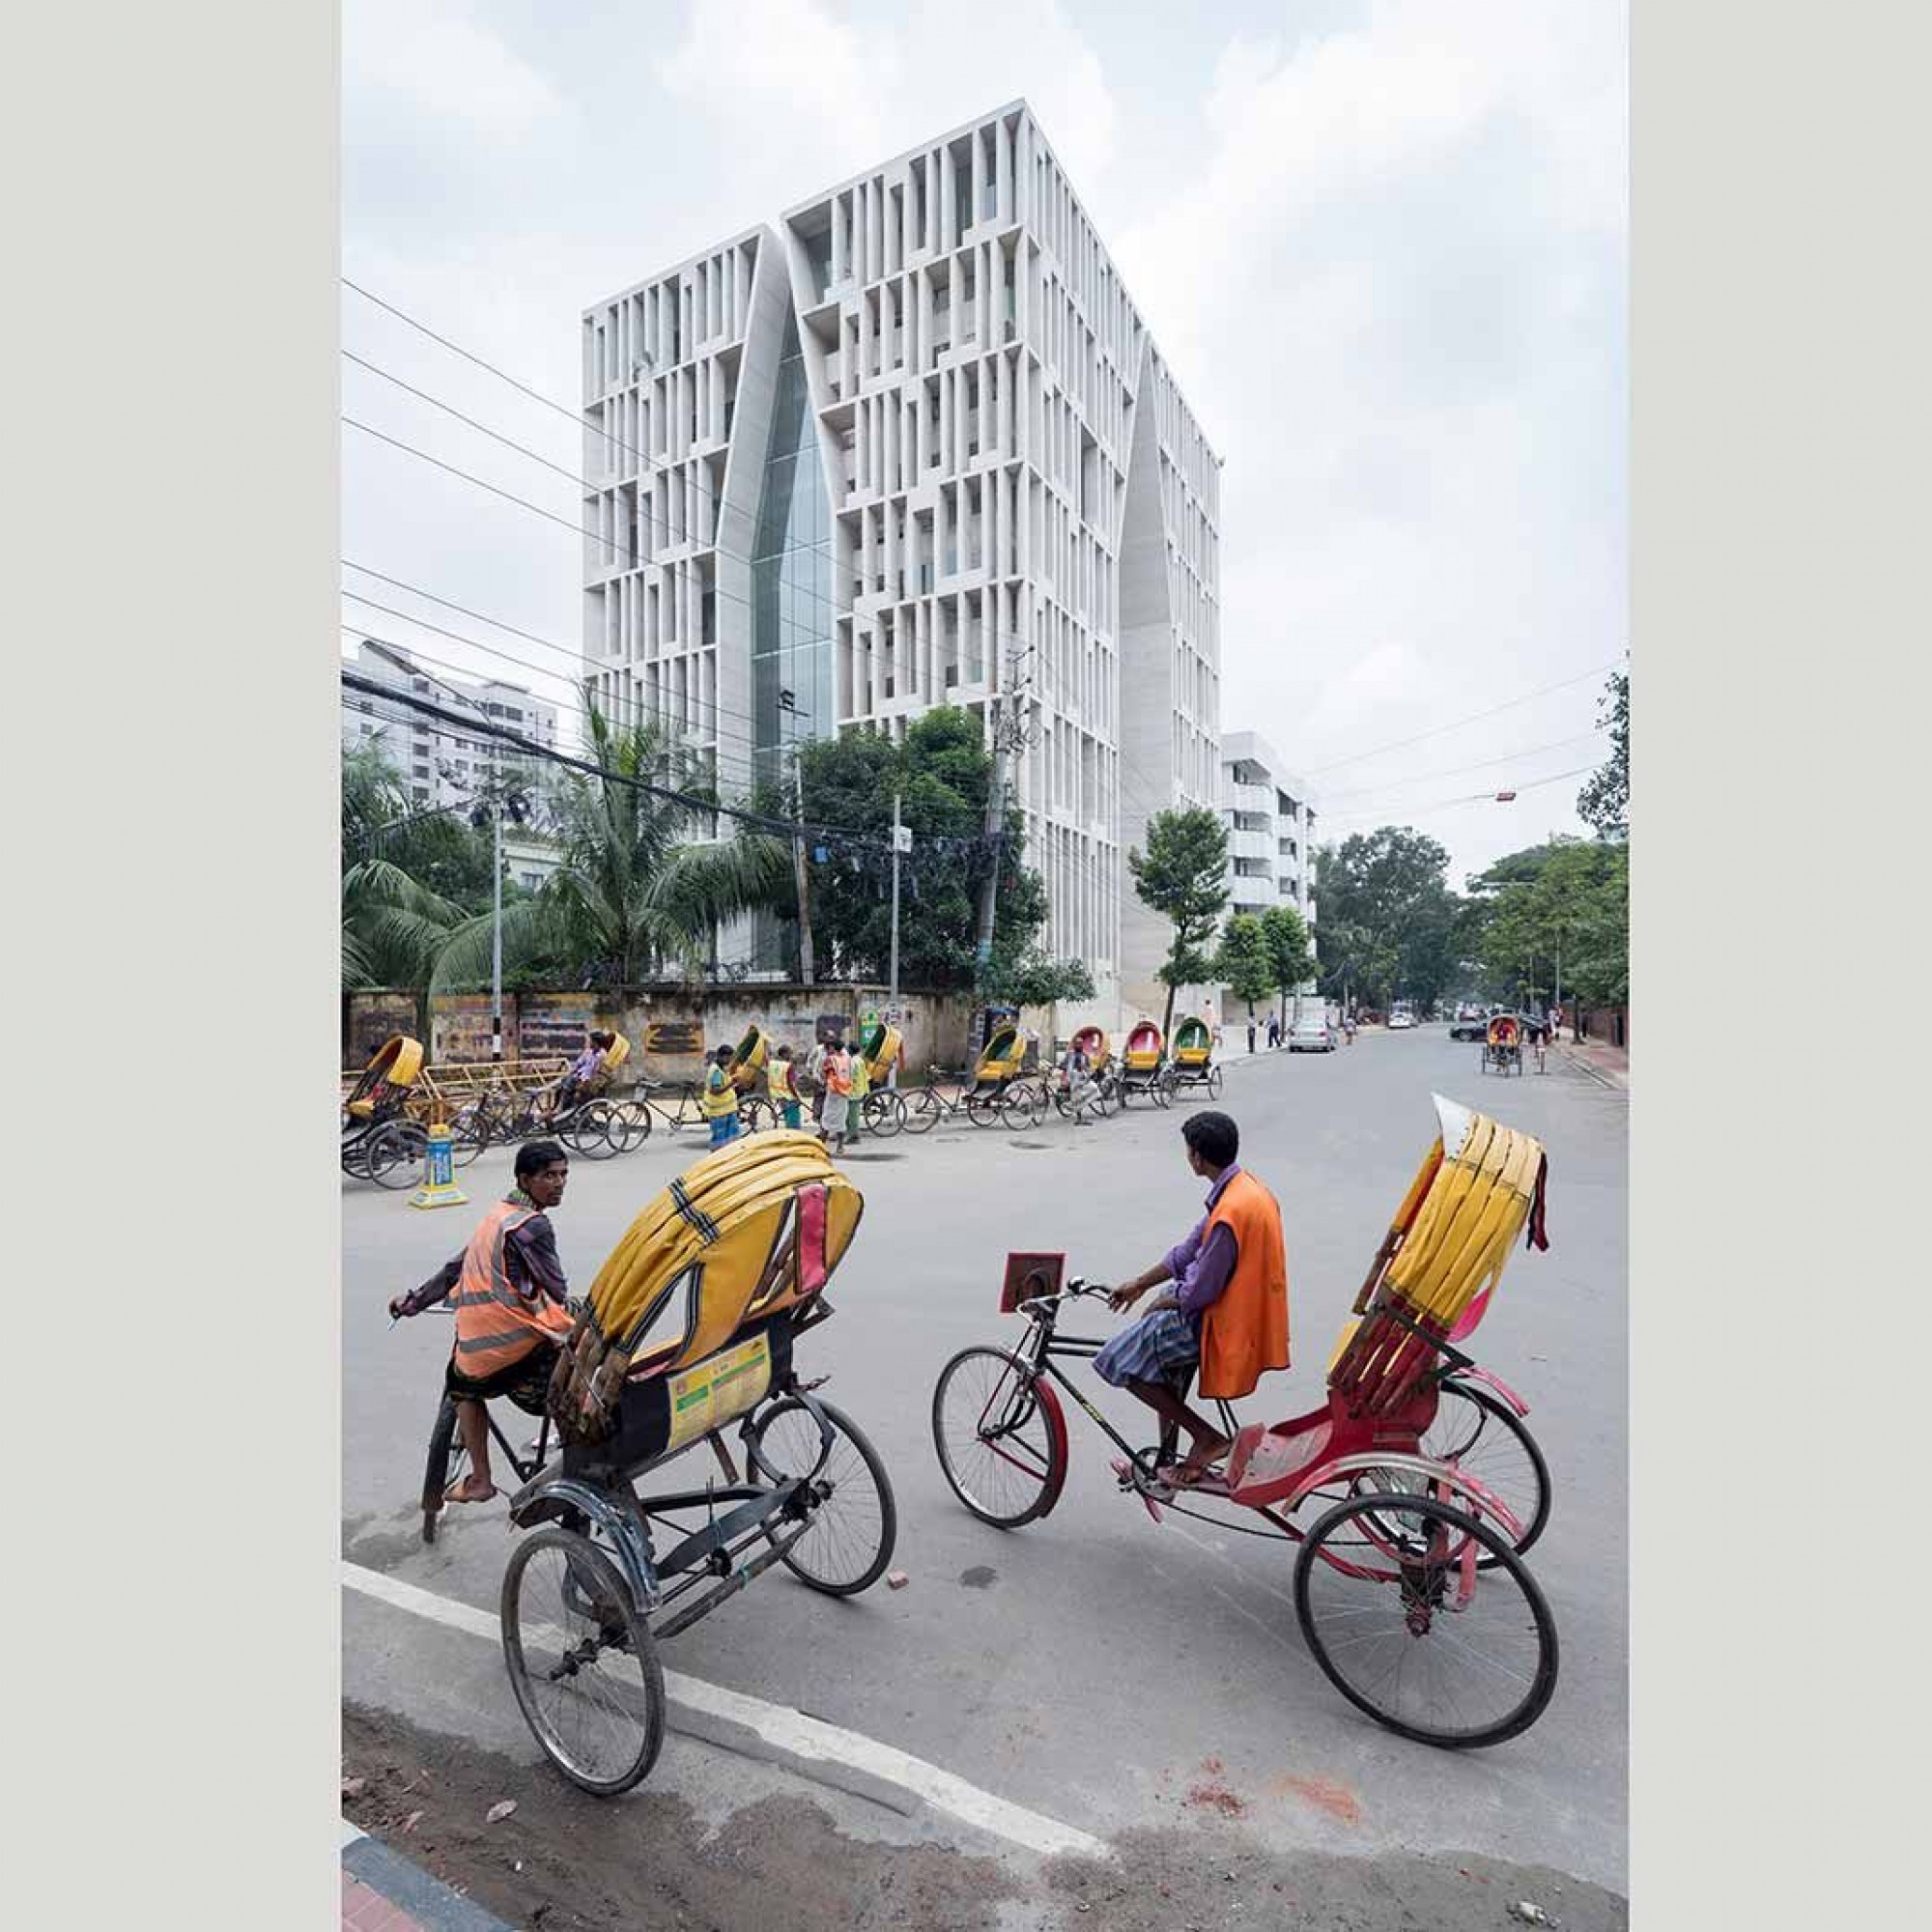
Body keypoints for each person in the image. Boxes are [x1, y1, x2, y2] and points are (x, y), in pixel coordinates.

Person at [1097, 1111, 1290, 1486]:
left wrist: (1163, 1301)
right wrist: (1140, 1284)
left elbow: (1199, 1291)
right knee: (1150, 1343)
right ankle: (1165, 1460)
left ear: (1198, 1157)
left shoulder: (1229, 1214)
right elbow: (1187, 1250)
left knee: (1118, 1360)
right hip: (1237, 1311)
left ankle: (1206, 1437)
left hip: (1218, 1320)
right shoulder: (1244, 1188)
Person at [389, 1140, 575, 1505]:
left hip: (489, 1343)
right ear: (525, 1179)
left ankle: (481, 1480)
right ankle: (485, 1479)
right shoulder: (533, 1226)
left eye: (563, 1175)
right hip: (511, 1343)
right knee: (465, 1383)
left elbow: (455, 1269)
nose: (559, 1183)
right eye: (549, 1176)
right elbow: (556, 1287)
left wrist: (413, 1303)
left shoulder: (499, 1214)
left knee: (462, 1385)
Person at [700, 1044, 740, 1149]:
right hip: (720, 1112)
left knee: (729, 1139)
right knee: (720, 1140)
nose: (729, 1061)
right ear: (722, 1056)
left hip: (726, 1110)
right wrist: (731, 1083)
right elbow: (715, 1090)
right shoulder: (716, 1072)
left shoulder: (720, 1068)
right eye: (729, 1058)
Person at [822, 1038, 853, 1153]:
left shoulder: (830, 1059)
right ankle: (840, 1147)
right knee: (841, 1119)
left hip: (833, 1091)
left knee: (827, 1118)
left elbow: (826, 1073)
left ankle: (822, 1145)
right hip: (845, 1091)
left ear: (833, 1048)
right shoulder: (849, 1059)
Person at [1059, 1035, 1096, 1126]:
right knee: (1077, 1092)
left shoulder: (1085, 1056)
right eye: (1077, 1043)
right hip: (1073, 1078)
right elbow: (1063, 1066)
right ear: (1074, 1045)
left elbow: (1089, 1069)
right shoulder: (1070, 1055)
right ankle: (1079, 1117)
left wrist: (1085, 1071)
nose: (1079, 1045)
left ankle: (1072, 1105)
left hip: (1083, 1078)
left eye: (1080, 1043)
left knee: (1094, 1088)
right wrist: (1070, 1070)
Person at [769, 1044, 803, 1130]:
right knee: (793, 1123)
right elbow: (791, 1083)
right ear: (784, 1054)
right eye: (790, 1053)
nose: (791, 1055)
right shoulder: (788, 1066)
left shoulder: (773, 1064)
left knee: (787, 1118)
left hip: (779, 1095)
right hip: (790, 1096)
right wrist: (797, 1096)